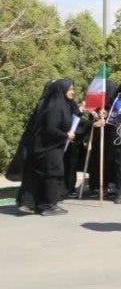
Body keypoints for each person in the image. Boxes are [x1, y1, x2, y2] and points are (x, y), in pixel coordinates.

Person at [15, 79, 79, 215]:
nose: (73, 92)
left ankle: (35, 203)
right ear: (61, 90)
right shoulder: (55, 107)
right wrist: (66, 135)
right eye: (70, 89)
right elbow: (50, 129)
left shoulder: (60, 105)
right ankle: (48, 205)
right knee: (53, 174)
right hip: (49, 147)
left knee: (42, 175)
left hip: (49, 146)